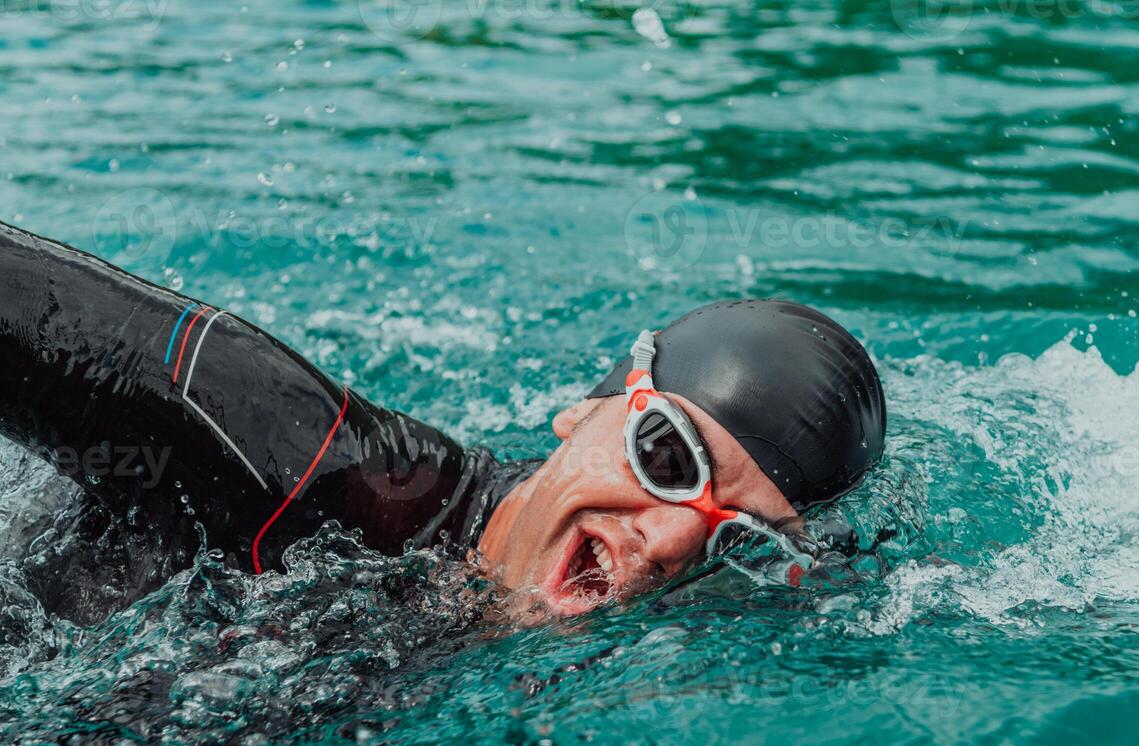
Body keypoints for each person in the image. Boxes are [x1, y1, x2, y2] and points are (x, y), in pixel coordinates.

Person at [0, 220, 887, 619]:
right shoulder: (299, 458)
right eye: (668, 457)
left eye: (736, 539)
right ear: (584, 411)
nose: (667, 543)